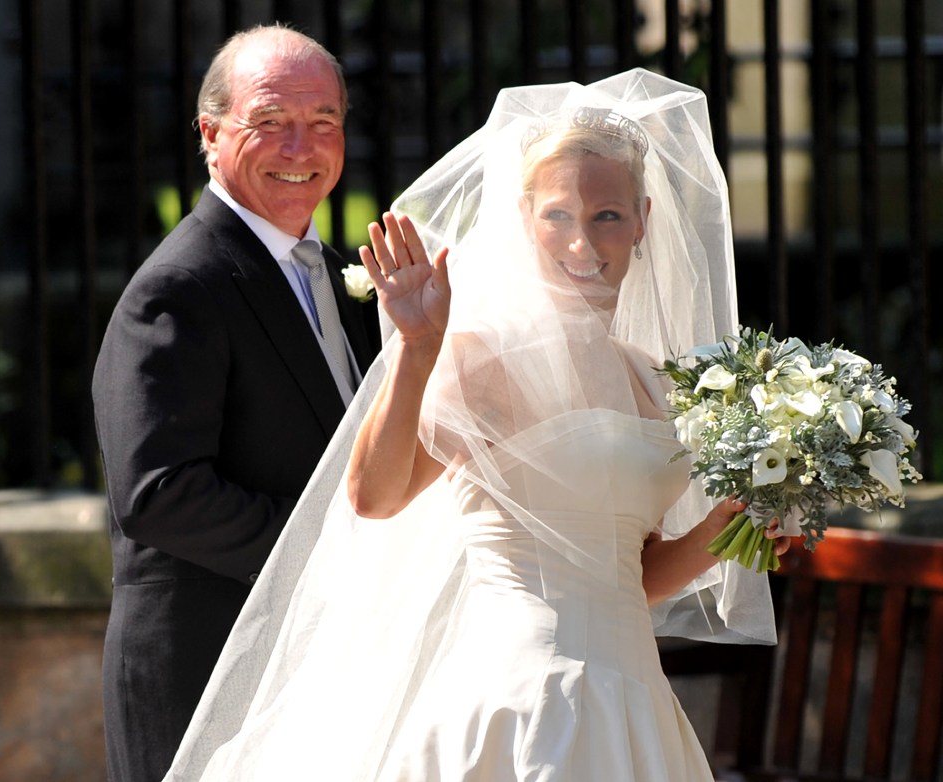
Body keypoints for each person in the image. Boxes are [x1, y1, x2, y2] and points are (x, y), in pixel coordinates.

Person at [163, 69, 790, 781]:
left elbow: (628, 577)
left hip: (633, 702)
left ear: (643, 219)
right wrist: (420, 351)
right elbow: (376, 496)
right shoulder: (486, 357)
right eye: (558, 215)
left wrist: (738, 523)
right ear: (524, 219)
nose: (582, 242)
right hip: (520, 699)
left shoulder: (653, 377)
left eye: (606, 216)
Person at [91, 24, 379, 782]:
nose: (301, 148)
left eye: (323, 123)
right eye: (271, 123)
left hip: (323, 672)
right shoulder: (177, 289)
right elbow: (158, 494)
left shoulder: (343, 278)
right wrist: (330, 553)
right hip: (210, 679)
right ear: (211, 135)